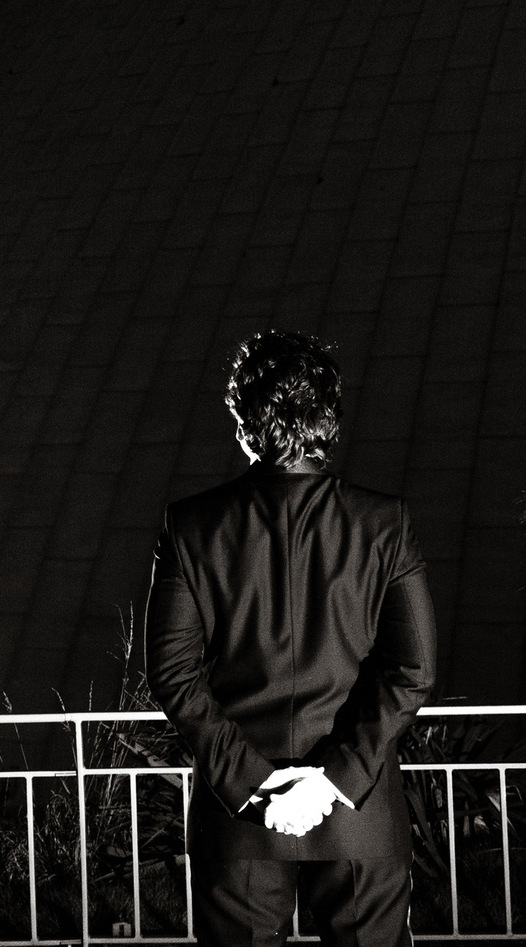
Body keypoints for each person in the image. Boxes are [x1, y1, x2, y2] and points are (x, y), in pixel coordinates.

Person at [145, 329, 437, 947]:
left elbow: (173, 675)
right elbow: (412, 669)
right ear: (329, 416)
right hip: (359, 816)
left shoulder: (191, 526)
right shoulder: (385, 524)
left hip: (243, 819)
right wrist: (334, 778)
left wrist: (254, 781)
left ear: (245, 423)